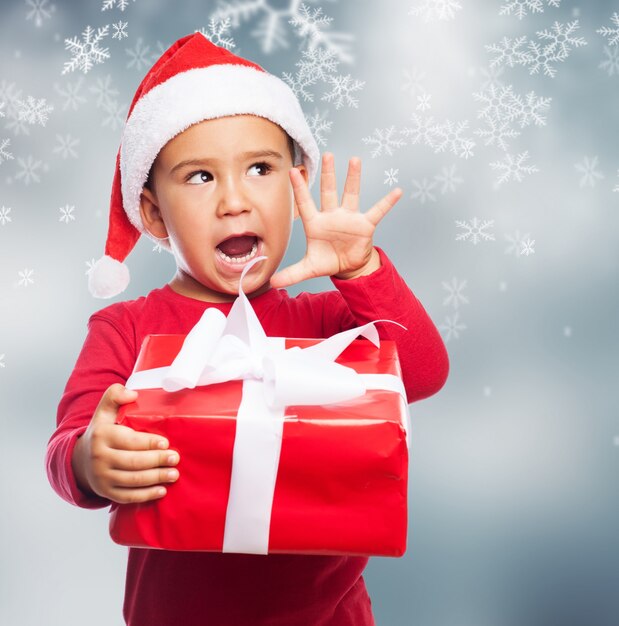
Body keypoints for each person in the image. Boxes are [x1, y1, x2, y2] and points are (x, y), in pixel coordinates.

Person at [45, 32, 449, 626]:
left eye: (260, 168)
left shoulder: (326, 323)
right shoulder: (125, 328)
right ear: (154, 212)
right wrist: (88, 459)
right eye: (200, 177)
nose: (234, 201)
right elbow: (67, 446)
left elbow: (423, 372)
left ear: (296, 182)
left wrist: (362, 271)